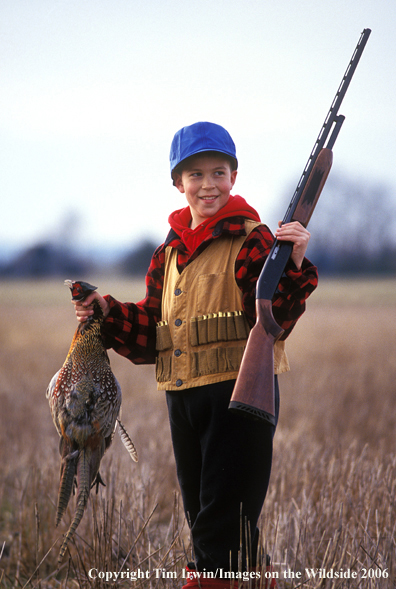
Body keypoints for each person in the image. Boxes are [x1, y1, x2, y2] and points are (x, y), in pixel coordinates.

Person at [73, 122, 318, 588]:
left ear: (234, 176)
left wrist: (296, 264)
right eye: (196, 175)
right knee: (216, 521)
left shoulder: (254, 240)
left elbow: (276, 318)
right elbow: (150, 331)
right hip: (183, 398)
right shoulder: (168, 252)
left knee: (217, 526)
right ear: (177, 182)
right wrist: (105, 313)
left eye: (219, 173)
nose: (209, 185)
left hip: (239, 396)